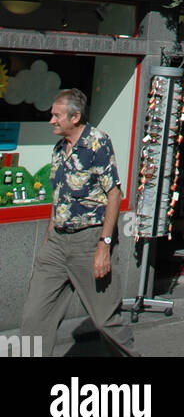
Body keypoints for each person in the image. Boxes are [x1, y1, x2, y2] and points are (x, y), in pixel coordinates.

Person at [21, 88, 136, 356]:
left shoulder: (98, 142)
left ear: (75, 117)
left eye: (56, 115)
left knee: (105, 320)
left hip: (90, 240)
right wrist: (48, 242)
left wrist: (104, 246)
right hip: (58, 242)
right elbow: (58, 198)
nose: (51, 120)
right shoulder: (59, 149)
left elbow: (114, 194)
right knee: (34, 318)